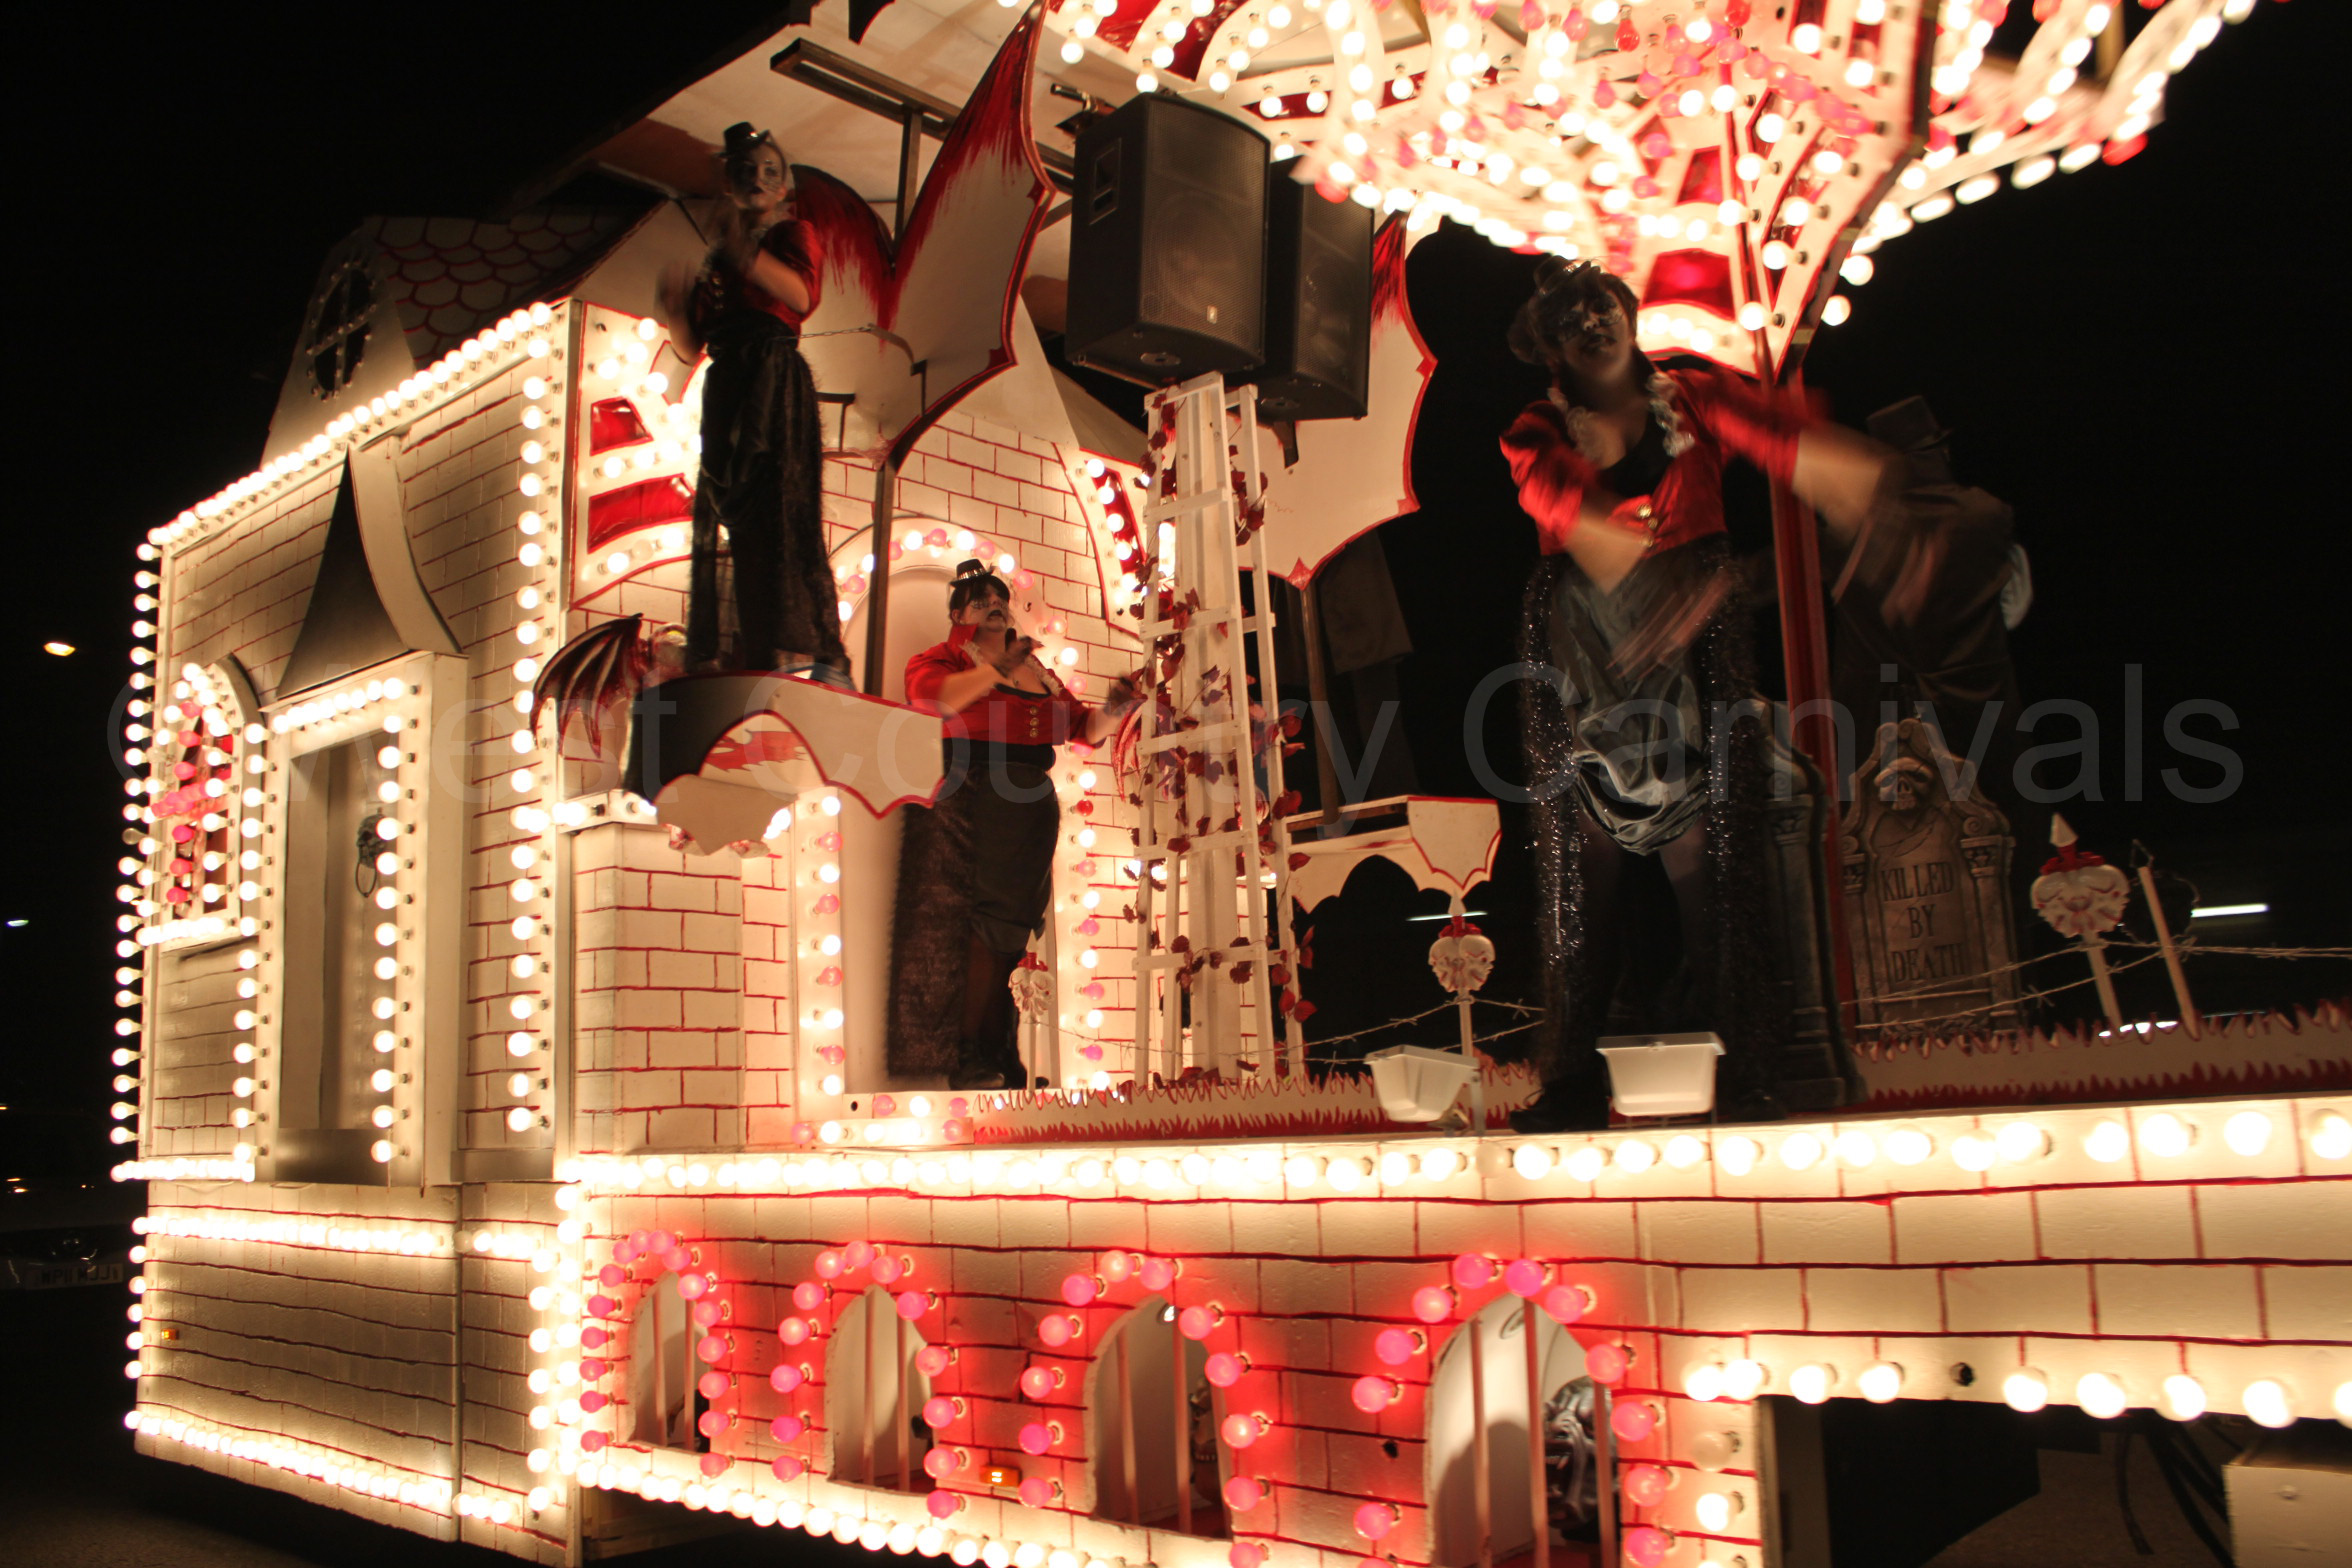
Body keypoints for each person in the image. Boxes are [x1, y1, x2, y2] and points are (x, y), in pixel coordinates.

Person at [1501, 258, 1897, 1133]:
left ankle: (1749, 1075)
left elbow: (1782, 437)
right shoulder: (1537, 427)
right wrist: (1615, 542)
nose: (1593, 324)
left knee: (1716, 875)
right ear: (1551, 347)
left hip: (1691, 664)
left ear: (1627, 313)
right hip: (1585, 664)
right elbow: (1554, 495)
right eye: (1571, 319)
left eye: (1602, 306)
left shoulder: (1692, 395)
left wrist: (1846, 480)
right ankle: (1572, 1085)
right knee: (1580, 891)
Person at [886, 562, 1141, 1090]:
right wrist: (996, 669)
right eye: (979, 600)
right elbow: (932, 701)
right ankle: (966, 1055)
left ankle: (1000, 1053)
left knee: (1012, 931)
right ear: (957, 615)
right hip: (976, 794)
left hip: (1028, 804)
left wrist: (1117, 706)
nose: (994, 605)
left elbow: (1084, 729)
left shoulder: (1037, 672)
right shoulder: (942, 660)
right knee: (983, 926)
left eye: (999, 598)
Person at [655, 121, 850, 686]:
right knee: (736, 517)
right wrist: (675, 308)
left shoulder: (792, 235)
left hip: (770, 375)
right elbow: (690, 345)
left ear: (784, 187)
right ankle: (753, 646)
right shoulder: (718, 259)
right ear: (730, 186)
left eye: (769, 171)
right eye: (746, 172)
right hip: (729, 385)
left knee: (779, 510)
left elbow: (801, 295)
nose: (758, 179)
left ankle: (801, 646)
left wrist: (743, 251)